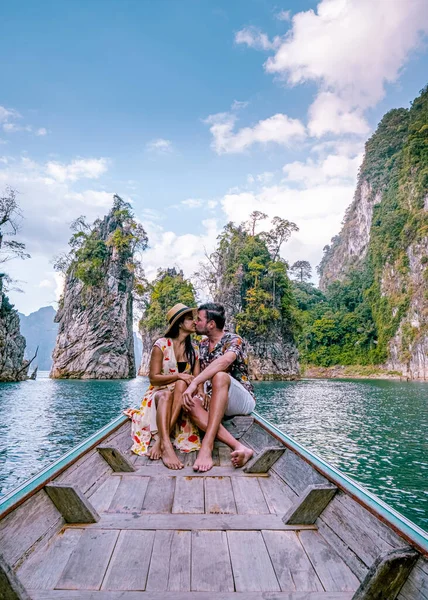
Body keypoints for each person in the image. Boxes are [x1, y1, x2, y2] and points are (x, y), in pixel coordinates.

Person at [125, 303, 202, 470]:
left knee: (181, 384)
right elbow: (153, 379)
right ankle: (166, 445)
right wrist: (178, 375)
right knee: (168, 393)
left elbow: (196, 379)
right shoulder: (161, 345)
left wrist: (200, 392)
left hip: (182, 396)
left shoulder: (194, 350)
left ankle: (161, 440)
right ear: (180, 323)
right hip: (159, 394)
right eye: (190, 319)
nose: (195, 322)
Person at [182, 302, 255, 472]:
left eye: (199, 319)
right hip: (214, 399)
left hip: (240, 399)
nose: (195, 323)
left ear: (211, 324)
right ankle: (240, 447)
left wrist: (194, 382)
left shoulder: (233, 339)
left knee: (220, 376)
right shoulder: (202, 345)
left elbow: (225, 361)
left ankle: (207, 446)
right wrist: (199, 391)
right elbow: (196, 371)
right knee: (191, 402)